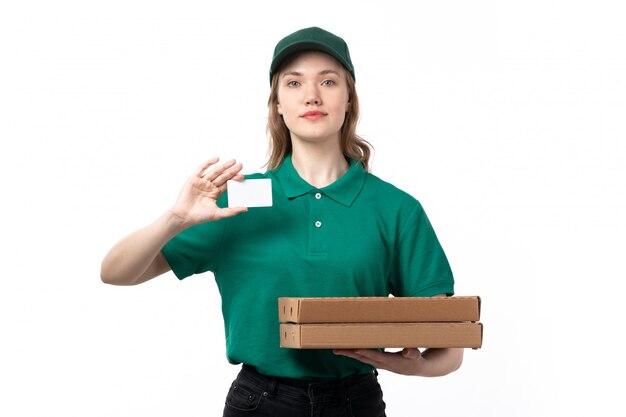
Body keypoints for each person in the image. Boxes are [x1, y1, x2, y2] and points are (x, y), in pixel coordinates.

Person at [101, 26, 463, 417]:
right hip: (260, 403)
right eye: (294, 83)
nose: (312, 95)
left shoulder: (396, 208)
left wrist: (413, 366)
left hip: (355, 402)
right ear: (277, 103)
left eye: (328, 81)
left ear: (349, 99)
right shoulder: (234, 201)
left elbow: (449, 343)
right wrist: (175, 219)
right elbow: (116, 272)